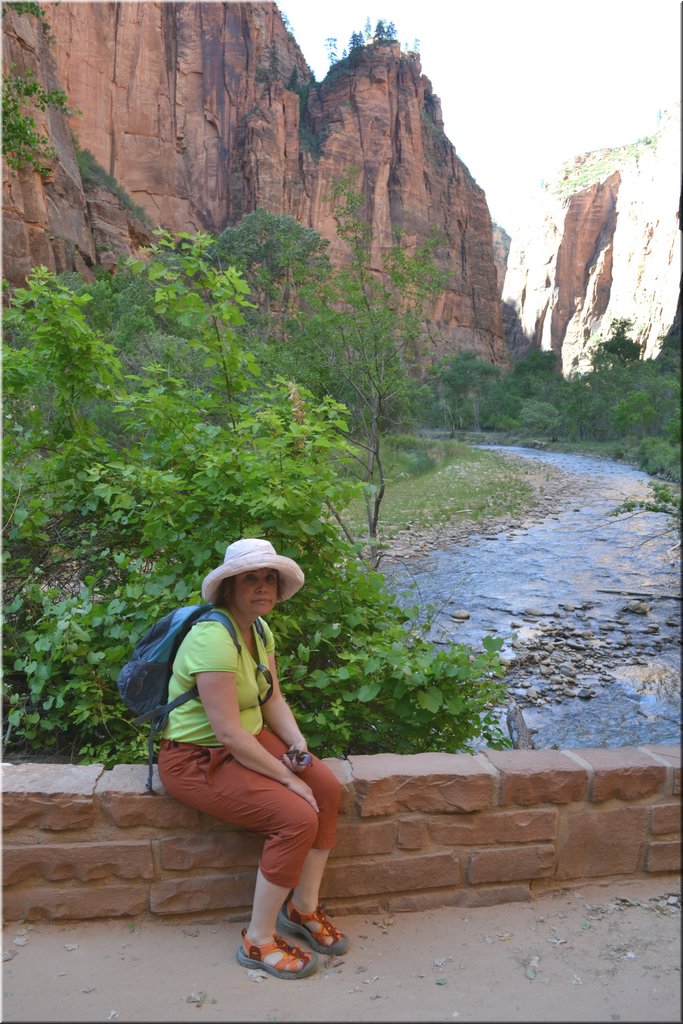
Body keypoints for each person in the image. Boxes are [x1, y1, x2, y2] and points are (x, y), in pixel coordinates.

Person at [157, 538, 348, 980]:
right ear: (229, 587)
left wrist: (298, 748)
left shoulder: (260, 630)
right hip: (197, 758)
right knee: (297, 816)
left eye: (269, 578)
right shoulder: (212, 637)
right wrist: (287, 779)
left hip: (250, 741)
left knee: (326, 788)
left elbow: (271, 698)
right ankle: (258, 941)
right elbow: (226, 731)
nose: (262, 587)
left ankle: (302, 909)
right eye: (251, 578)